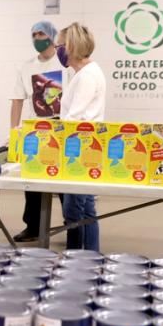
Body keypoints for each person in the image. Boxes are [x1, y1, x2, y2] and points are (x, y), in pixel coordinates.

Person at [9, 21, 67, 243]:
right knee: (32, 179)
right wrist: (14, 131)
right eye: (33, 35)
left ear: (52, 36)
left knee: (64, 182)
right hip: (35, 129)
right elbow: (17, 100)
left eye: (41, 34)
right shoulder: (26, 67)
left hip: (62, 128)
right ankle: (32, 226)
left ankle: (71, 223)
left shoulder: (65, 65)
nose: (37, 38)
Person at [58, 23, 105, 252]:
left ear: (71, 46)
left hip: (79, 148)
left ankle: (76, 256)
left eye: (60, 45)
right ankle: (90, 255)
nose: (58, 50)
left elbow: (74, 118)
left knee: (74, 210)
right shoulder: (83, 73)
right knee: (85, 208)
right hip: (83, 147)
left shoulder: (87, 76)